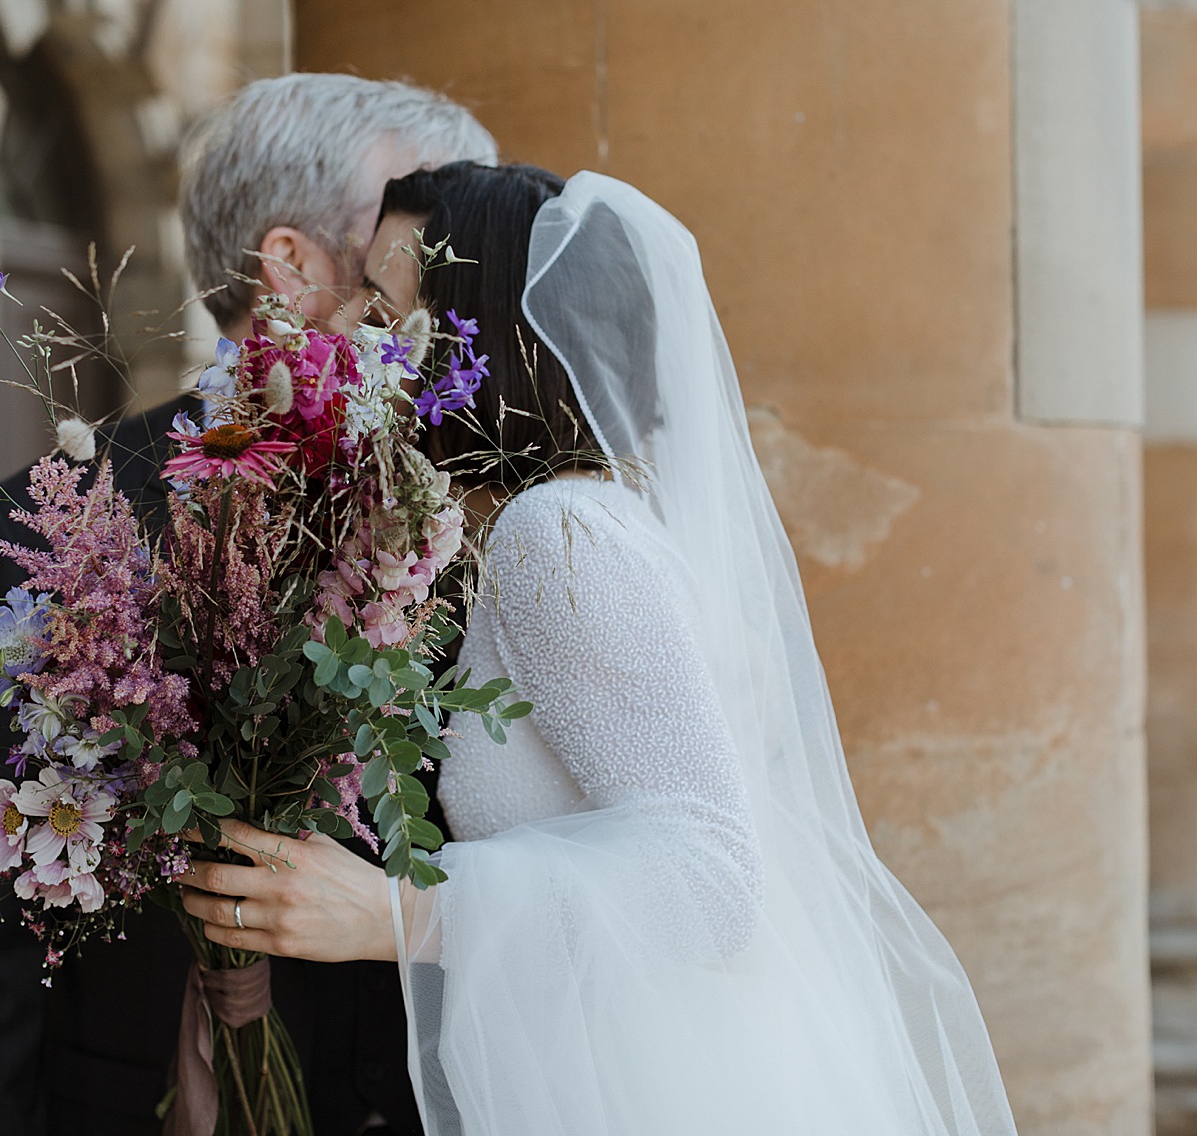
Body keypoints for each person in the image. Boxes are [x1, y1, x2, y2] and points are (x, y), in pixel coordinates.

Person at [179, 163, 1020, 1135]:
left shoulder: (558, 535)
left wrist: (399, 911)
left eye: (385, 302)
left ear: (479, 334)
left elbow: (710, 877)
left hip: (654, 1083)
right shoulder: (529, 529)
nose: (356, 330)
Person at [0, 75, 495, 1136]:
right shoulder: (44, 528)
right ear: (293, 266)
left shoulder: (475, 510)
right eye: (424, 227)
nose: (457, 267)